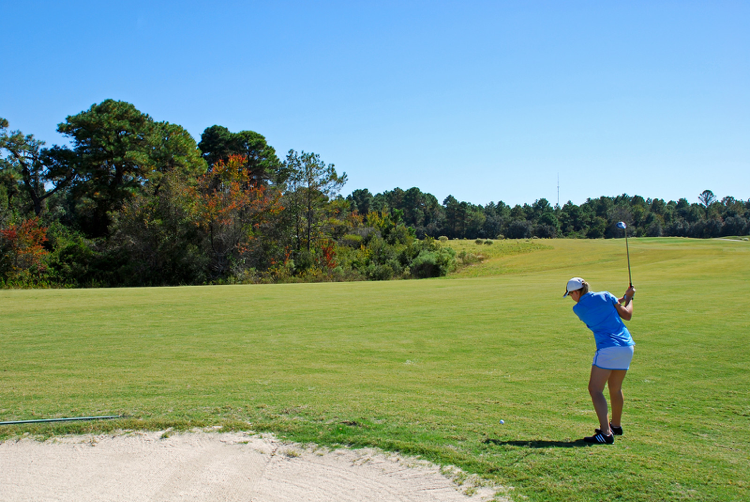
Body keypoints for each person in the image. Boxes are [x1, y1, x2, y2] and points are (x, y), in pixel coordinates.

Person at [563, 277, 636, 444]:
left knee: (595, 389)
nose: (571, 298)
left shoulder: (578, 309)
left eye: (570, 295)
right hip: (627, 346)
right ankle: (616, 426)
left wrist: (625, 298)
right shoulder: (606, 295)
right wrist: (628, 298)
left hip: (607, 348)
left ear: (576, 292)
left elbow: (604, 307)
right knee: (615, 388)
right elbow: (627, 314)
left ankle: (606, 433)